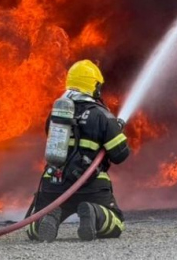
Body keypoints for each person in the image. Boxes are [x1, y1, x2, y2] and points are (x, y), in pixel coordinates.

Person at [27, 59, 130, 242]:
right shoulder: (102, 115)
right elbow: (120, 155)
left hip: (55, 184)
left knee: (34, 227)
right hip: (90, 186)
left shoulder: (57, 112)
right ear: (94, 86)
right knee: (115, 223)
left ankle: (48, 217)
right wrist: (115, 130)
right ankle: (94, 213)